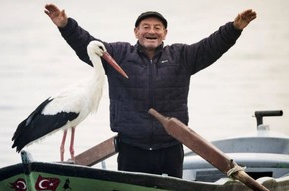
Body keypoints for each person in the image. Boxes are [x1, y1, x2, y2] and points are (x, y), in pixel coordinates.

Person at [44, 4, 256, 178]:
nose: (151, 31)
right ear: (136, 32)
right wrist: (65, 26)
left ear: (165, 33)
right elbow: (87, 45)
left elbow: (211, 46)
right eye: (145, 26)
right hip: (131, 148)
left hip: (171, 146)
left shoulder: (182, 56)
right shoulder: (118, 54)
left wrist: (235, 28)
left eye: (157, 27)